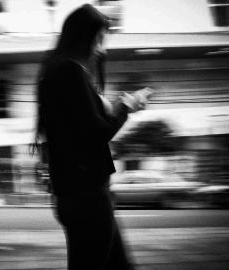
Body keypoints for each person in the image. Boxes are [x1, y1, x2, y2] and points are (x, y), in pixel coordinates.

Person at [35, 4, 151, 270]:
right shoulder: (70, 72)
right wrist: (127, 107)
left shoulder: (56, 71)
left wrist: (111, 107)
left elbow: (80, 128)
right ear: (85, 37)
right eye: (101, 39)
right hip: (87, 197)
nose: (104, 48)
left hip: (78, 194)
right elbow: (97, 133)